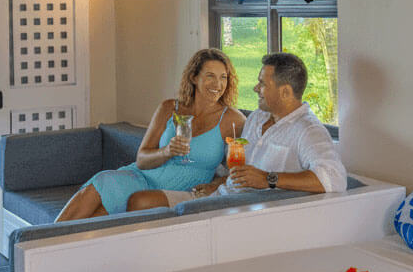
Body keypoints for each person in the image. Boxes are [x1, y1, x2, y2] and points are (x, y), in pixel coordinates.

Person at [127, 52, 345, 211]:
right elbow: (238, 167)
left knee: (144, 204)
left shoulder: (308, 130)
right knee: (140, 201)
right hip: (218, 194)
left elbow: (335, 179)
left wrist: (268, 179)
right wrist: (216, 184)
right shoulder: (257, 117)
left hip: (238, 208)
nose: (256, 88)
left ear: (285, 92)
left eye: (262, 84)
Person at [54, 48, 246, 221]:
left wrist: (215, 184)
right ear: (194, 77)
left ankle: (52, 245)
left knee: (97, 218)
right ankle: (43, 239)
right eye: (210, 76)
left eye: (223, 77)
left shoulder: (233, 120)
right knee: (101, 182)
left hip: (180, 189)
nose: (218, 84)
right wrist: (167, 151)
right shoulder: (168, 108)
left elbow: (242, 167)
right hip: (141, 177)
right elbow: (142, 160)